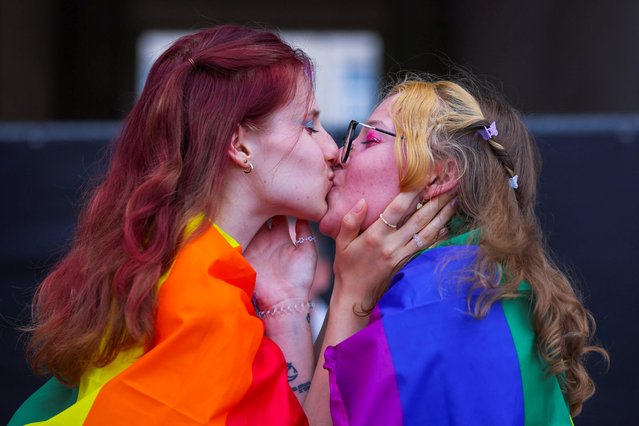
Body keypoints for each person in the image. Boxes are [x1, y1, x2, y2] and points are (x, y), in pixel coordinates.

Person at [9, 26, 452, 425]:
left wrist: (288, 301)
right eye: (308, 124)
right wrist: (350, 294)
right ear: (239, 144)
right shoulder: (205, 299)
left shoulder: (158, 259)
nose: (334, 148)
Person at [308, 76, 608, 425]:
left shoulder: (429, 306)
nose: (337, 155)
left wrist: (349, 294)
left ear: (439, 176)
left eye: (370, 138)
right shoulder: (480, 284)